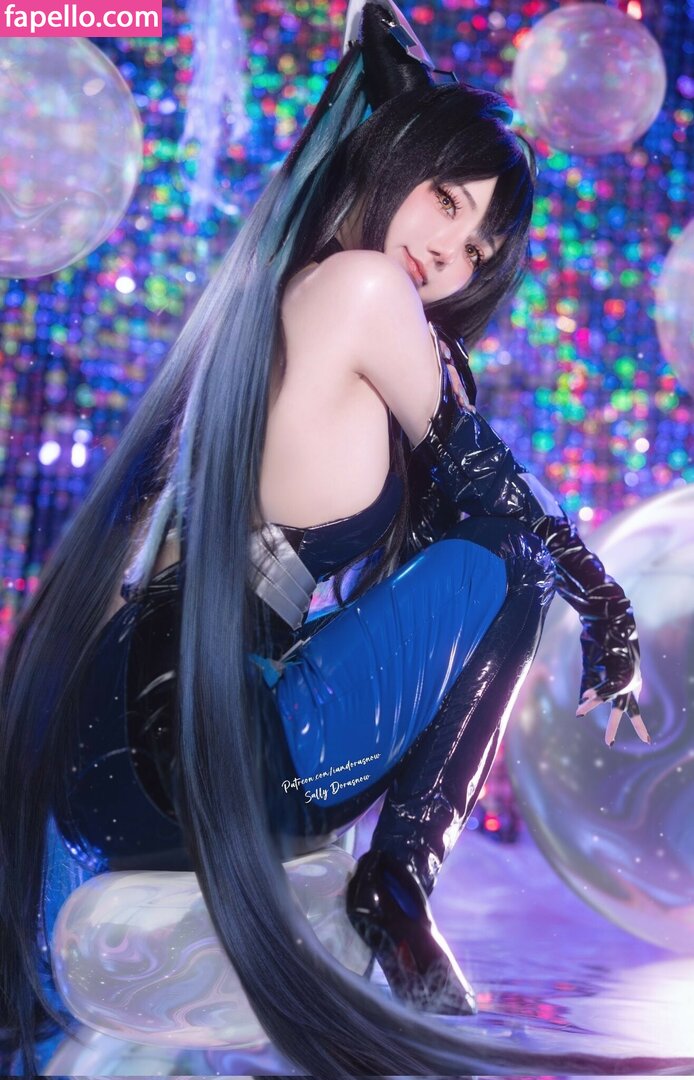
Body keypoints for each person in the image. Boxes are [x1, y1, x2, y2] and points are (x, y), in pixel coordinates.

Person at [0, 3, 649, 1075]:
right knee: (513, 560)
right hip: (193, 739)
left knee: (484, 558)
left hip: (118, 753)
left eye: (476, 246)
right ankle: (399, 882)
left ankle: (375, 888)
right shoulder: (362, 288)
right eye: (446, 199)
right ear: (396, 164)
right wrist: (609, 610)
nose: (447, 251)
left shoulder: (288, 299)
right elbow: (500, 496)